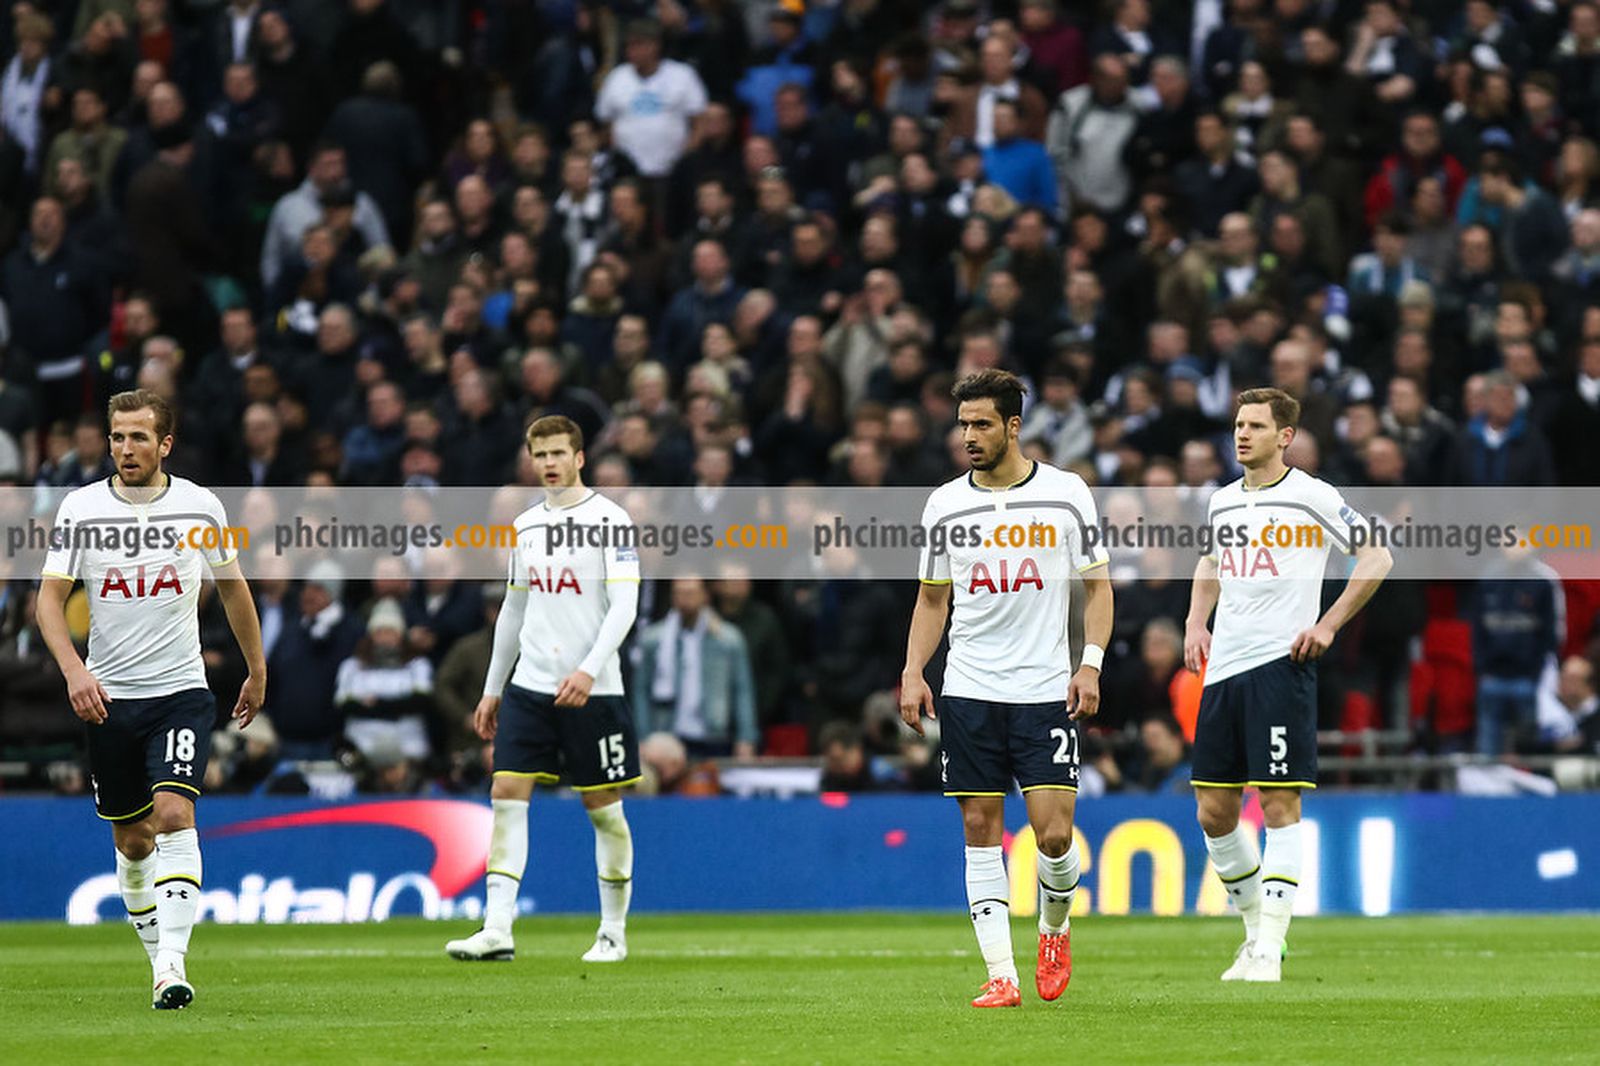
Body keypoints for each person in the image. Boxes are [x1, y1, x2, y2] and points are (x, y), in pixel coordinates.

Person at [35, 388, 266, 1009]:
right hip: (109, 698)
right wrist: (73, 671)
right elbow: (48, 599)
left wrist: (256, 667)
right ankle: (155, 955)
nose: (126, 448)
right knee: (133, 841)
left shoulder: (199, 504)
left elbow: (235, 588)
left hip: (181, 691)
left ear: (165, 444)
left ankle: (172, 965)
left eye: (139, 437)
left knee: (174, 816)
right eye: (117, 436)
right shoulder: (81, 507)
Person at [900, 369, 1113, 1008]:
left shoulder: (1068, 493)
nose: (968, 435)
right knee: (978, 824)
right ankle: (1002, 975)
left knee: (1052, 836)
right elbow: (932, 599)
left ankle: (1054, 927)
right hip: (969, 686)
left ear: (1014, 426)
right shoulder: (943, 503)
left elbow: (1099, 588)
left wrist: (1091, 663)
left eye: (982, 424)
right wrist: (914, 670)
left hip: (1045, 686)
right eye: (963, 424)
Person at [1182, 387, 1392, 983]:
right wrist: (1197, 620)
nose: (1241, 435)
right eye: (1238, 424)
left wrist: (1327, 623)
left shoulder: (1312, 497)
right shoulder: (1222, 502)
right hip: (1224, 668)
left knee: (1279, 803)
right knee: (1214, 812)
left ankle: (1270, 947)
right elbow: (1211, 563)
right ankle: (1254, 936)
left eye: (1255, 426)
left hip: (1281, 664)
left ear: (1285, 437)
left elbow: (1377, 558)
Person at [446, 415, 641, 965]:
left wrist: (588, 669)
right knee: (506, 795)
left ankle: (612, 931)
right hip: (530, 686)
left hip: (593, 690)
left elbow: (625, 605)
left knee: (603, 809)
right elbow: (515, 607)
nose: (550, 463)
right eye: (540, 454)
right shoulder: (527, 525)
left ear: (581, 457)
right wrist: (492, 688)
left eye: (559, 453)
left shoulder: (611, 520)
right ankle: (497, 927)